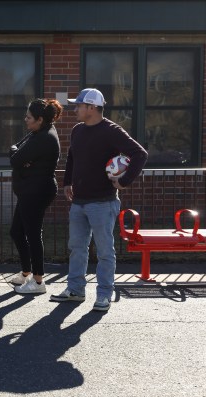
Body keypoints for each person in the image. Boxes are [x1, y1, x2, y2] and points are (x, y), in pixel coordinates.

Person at [51, 88, 148, 311]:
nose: (75, 109)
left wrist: (124, 182)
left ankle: (104, 294)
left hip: (103, 202)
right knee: (77, 247)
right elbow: (72, 157)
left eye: (79, 105)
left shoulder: (111, 131)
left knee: (105, 252)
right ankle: (75, 290)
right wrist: (67, 182)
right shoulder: (77, 130)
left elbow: (140, 154)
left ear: (92, 108)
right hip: (79, 201)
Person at [9, 99, 62, 295]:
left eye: (29, 117)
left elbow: (15, 158)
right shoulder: (38, 132)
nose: (25, 120)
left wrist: (21, 159)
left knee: (32, 234)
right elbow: (16, 151)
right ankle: (26, 273)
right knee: (16, 232)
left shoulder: (44, 137)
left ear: (40, 119)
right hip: (28, 191)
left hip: (37, 192)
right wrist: (21, 158)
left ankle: (38, 281)